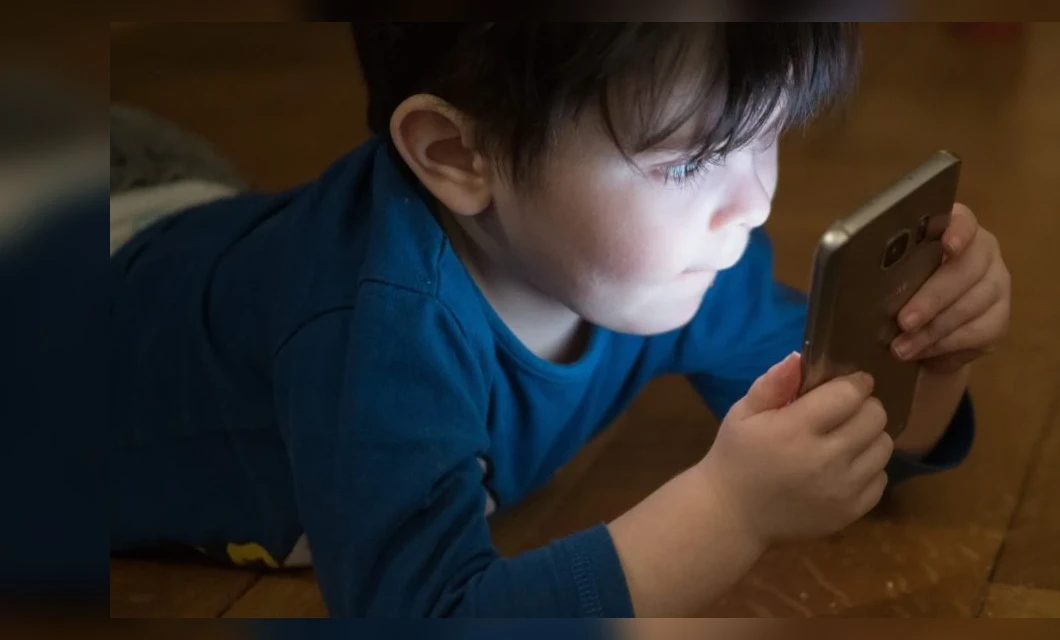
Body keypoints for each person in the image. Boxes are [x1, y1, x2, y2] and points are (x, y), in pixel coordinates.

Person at [110, 23, 1011, 617]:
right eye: (694, 161)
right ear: (461, 155)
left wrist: (930, 357)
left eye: (766, 131)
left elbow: (846, 443)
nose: (753, 205)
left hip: (181, 217)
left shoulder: (677, 264)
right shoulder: (377, 337)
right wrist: (729, 511)